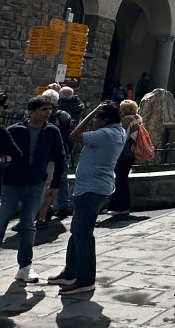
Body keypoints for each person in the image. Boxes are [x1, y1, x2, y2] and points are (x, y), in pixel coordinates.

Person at [48, 100, 127, 294]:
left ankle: (85, 279)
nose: (93, 121)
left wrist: (90, 114)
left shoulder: (106, 134)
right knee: (77, 230)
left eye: (97, 118)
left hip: (91, 189)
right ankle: (70, 272)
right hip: (96, 186)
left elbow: (74, 135)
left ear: (105, 119)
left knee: (83, 234)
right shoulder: (118, 131)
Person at [0, 95, 62, 283]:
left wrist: (56, 182)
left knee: (28, 225)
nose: (47, 113)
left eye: (49, 109)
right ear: (31, 112)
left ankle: (25, 267)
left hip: (35, 184)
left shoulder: (52, 131)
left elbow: (60, 156)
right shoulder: (14, 130)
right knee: (1, 223)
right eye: (43, 109)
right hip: (11, 183)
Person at [36, 87, 72, 226]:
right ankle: (63, 206)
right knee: (62, 179)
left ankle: (46, 210)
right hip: (64, 150)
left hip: (49, 154)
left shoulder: (47, 117)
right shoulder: (65, 115)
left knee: (47, 182)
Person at [107, 99, 142, 216]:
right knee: (121, 179)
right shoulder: (137, 118)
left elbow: (123, 136)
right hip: (130, 153)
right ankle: (114, 205)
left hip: (123, 153)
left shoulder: (127, 120)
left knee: (120, 180)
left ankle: (121, 207)